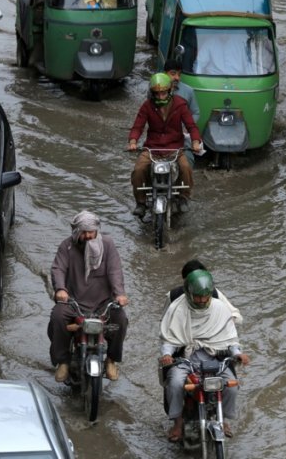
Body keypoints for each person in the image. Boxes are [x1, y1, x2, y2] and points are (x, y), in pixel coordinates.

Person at [159, 270, 250, 442]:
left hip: (215, 359)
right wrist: (167, 355)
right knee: (175, 383)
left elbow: (230, 338)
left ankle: (224, 420)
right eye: (198, 297)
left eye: (205, 296)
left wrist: (238, 354)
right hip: (186, 359)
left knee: (232, 386)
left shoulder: (220, 308)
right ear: (189, 293)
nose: (202, 300)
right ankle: (177, 422)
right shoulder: (177, 309)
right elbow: (170, 339)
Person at [47, 211, 129, 382]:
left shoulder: (108, 244)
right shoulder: (67, 246)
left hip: (103, 302)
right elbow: (58, 269)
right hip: (73, 302)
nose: (88, 236)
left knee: (121, 319)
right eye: (84, 232)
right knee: (57, 317)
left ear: (96, 230)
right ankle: (63, 361)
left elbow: (115, 270)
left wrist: (119, 294)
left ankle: (111, 360)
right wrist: (61, 289)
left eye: (91, 232)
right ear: (76, 231)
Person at [127, 73, 202, 217]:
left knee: (186, 168)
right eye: (157, 93)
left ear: (170, 90)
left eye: (163, 93)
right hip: (152, 148)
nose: (160, 97)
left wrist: (195, 142)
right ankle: (141, 203)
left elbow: (191, 126)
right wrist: (133, 142)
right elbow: (138, 126)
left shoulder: (180, 104)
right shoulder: (147, 106)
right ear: (152, 93)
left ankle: (183, 198)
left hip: (175, 148)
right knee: (138, 170)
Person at [164, 259, 242, 326]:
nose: (202, 300)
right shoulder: (173, 296)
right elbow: (165, 321)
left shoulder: (215, 293)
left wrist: (228, 321)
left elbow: (237, 316)